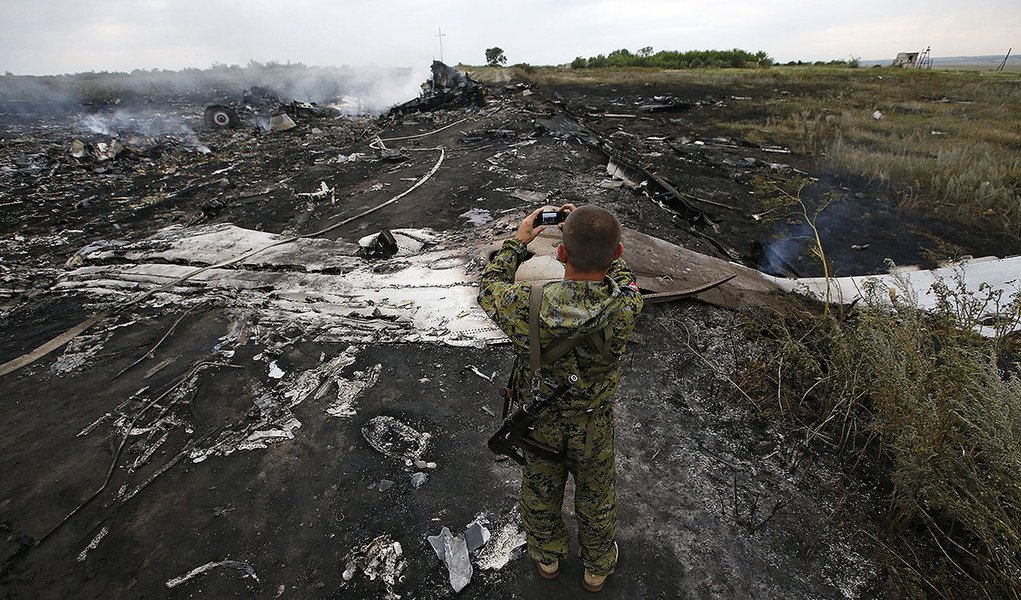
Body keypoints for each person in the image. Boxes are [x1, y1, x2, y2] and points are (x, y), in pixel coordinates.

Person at [477, 203, 644, 592]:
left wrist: (519, 240)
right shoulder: (627, 305)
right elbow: (623, 275)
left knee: (539, 490)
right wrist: (598, 237)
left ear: (561, 253)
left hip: (539, 422)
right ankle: (597, 569)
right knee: (597, 495)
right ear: (618, 253)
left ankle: (548, 558)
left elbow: (489, 286)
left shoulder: (526, 304)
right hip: (593, 425)